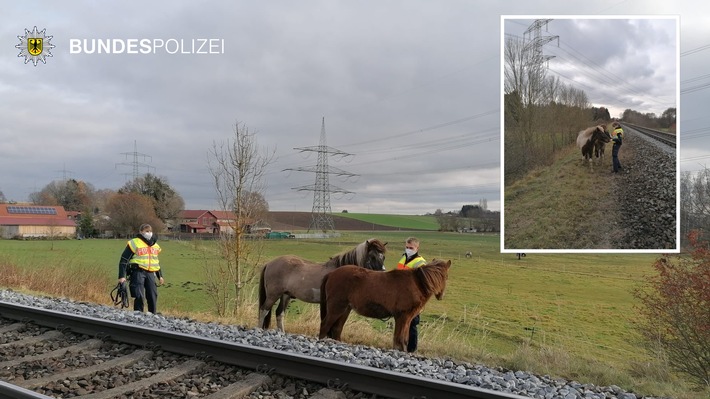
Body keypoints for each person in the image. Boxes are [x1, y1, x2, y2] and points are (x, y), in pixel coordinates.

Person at [118, 223, 164, 314]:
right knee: (139, 295)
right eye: (146, 231)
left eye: (150, 231)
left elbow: (155, 262)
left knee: (152, 295)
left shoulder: (155, 245)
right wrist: (121, 276)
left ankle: (153, 314)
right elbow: (124, 259)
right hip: (138, 271)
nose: (149, 233)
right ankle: (138, 314)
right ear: (141, 232)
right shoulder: (134, 243)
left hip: (151, 273)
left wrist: (160, 276)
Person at [396, 237, 427, 352]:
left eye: (411, 248)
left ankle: (411, 350)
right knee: (401, 321)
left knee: (412, 323)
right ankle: (401, 345)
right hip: (400, 295)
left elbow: (421, 284)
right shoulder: (403, 257)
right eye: (407, 247)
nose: (408, 249)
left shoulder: (421, 263)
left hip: (412, 298)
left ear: (417, 248)